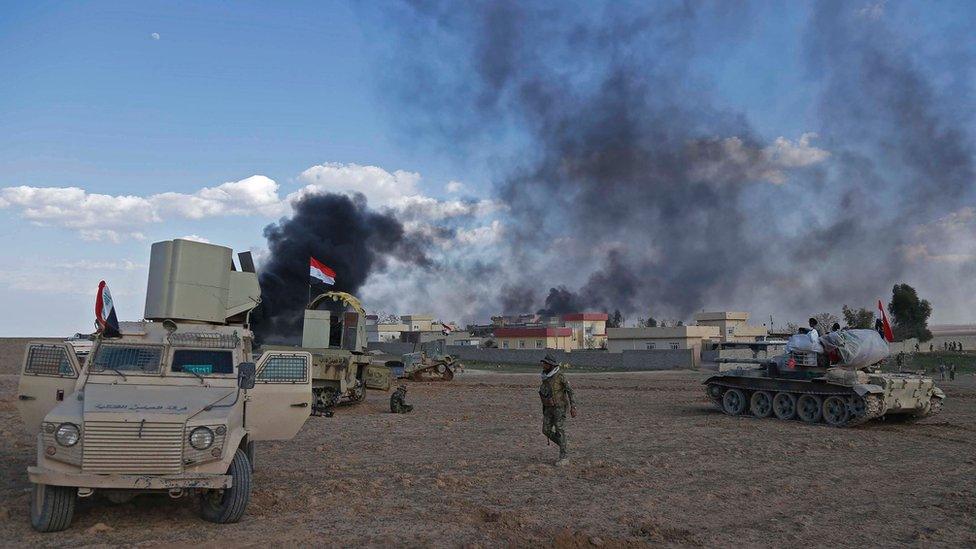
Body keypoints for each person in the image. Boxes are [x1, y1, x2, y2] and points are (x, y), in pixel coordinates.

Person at [539, 354, 577, 466]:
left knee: (560, 430)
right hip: (548, 408)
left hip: (559, 408)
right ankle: (563, 444)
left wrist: (573, 407)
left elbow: (570, 391)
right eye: (543, 363)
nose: (543, 365)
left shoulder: (560, 376)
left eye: (545, 363)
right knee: (545, 430)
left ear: (551, 365)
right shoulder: (545, 376)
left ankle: (564, 457)